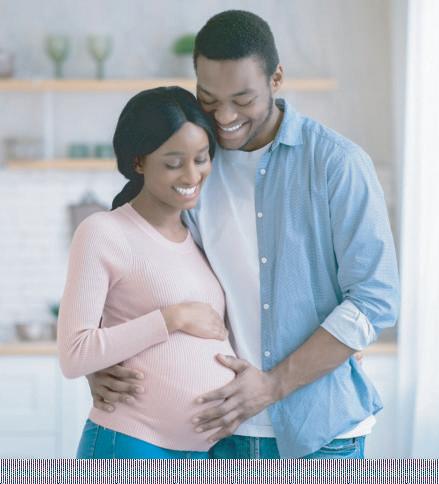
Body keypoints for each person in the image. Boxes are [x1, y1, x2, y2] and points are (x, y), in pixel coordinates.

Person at [85, 10, 400, 459]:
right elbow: (127, 264)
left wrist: (272, 385)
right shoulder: (194, 165)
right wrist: (99, 362)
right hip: (214, 433)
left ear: (276, 79)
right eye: (209, 99)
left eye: (242, 99)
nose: (225, 116)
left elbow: (375, 298)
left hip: (321, 434)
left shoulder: (336, 164)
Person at [57, 86, 238, 459]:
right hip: (131, 444)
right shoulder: (103, 231)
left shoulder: (202, 234)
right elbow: (75, 354)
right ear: (139, 162)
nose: (192, 174)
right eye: (174, 163)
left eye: (201, 159)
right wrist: (173, 318)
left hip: (205, 454)